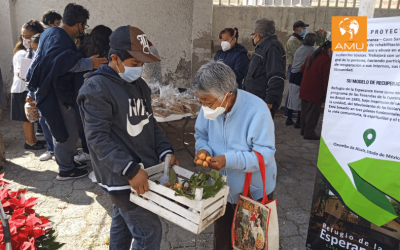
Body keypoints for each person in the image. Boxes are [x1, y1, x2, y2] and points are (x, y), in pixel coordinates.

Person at [77, 25, 180, 250]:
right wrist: (130, 170)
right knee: (149, 231)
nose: (140, 69)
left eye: (142, 64)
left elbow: (149, 124)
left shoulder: (139, 86)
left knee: (122, 223)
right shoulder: (96, 88)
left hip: (144, 170)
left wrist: (165, 150)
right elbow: (97, 138)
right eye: (135, 64)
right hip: (121, 176)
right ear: (115, 58)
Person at [193, 60, 276, 250]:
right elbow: (201, 134)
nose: (204, 107)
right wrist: (202, 149)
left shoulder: (257, 111)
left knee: (251, 242)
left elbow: (264, 156)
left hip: (251, 191)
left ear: (226, 96)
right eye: (201, 101)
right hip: (221, 190)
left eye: (208, 102)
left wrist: (227, 160)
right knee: (223, 241)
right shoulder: (209, 106)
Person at [26, 3, 108, 180]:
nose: (83, 30)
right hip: (57, 93)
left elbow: (41, 62)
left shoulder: (50, 32)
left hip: (47, 90)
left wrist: (31, 91)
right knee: (66, 133)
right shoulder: (60, 37)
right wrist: (89, 63)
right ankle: (66, 170)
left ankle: (67, 162)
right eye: (84, 26)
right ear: (79, 24)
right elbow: (61, 63)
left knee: (59, 130)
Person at [74, 24, 112, 162]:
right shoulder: (108, 54)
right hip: (103, 93)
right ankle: (103, 154)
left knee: (84, 122)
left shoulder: (82, 53)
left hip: (80, 91)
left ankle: (87, 151)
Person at [11, 20, 45, 150]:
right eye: (23, 36)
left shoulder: (32, 51)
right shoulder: (22, 53)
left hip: (27, 88)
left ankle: (34, 140)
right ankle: (30, 142)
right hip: (22, 89)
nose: (25, 40)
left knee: (31, 117)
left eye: (29, 37)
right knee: (27, 118)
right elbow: (23, 74)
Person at [244, 18, 286, 118]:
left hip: (263, 102)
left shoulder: (272, 48)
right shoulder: (263, 47)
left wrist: (269, 101)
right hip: (255, 100)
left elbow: (276, 77)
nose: (252, 37)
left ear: (258, 35)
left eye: (252, 34)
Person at [26, 33, 55, 161]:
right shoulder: (34, 61)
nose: (35, 51)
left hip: (53, 97)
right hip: (40, 98)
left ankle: (61, 152)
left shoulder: (53, 60)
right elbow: (32, 81)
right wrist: (30, 95)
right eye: (33, 49)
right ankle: (51, 149)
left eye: (37, 48)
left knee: (55, 125)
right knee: (43, 121)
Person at [299, 41, 332, 140]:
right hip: (315, 90)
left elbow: (302, 69)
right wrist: (327, 92)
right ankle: (309, 133)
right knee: (312, 114)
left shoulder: (311, 55)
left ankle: (303, 130)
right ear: (330, 49)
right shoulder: (326, 59)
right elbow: (325, 79)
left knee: (304, 111)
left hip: (305, 88)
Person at [286, 33, 316, 127]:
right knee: (300, 98)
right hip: (301, 75)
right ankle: (298, 121)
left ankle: (289, 118)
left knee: (292, 97)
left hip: (293, 74)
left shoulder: (300, 48)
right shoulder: (311, 50)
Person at [284, 20, 309, 117]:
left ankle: (292, 112)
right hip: (294, 69)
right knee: (292, 91)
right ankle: (288, 112)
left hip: (298, 69)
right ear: (296, 29)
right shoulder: (293, 41)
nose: (304, 30)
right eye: (303, 28)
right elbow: (299, 56)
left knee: (294, 90)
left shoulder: (299, 40)